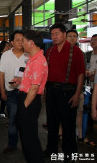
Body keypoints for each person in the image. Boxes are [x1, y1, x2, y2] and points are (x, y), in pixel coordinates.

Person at [44, 23, 85, 162]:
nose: (54, 37)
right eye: (52, 34)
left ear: (64, 34)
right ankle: (51, 149)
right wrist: (45, 91)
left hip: (68, 92)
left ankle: (70, 153)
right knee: (52, 122)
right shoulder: (49, 51)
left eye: (57, 34)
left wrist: (77, 94)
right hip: (51, 91)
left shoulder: (75, 51)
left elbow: (80, 74)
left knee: (68, 124)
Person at [13, 30, 47, 163]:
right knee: (27, 138)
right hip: (27, 98)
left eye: (23, 41)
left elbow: (34, 88)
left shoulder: (38, 61)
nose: (22, 43)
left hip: (29, 101)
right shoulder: (33, 59)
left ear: (31, 43)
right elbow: (32, 81)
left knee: (30, 139)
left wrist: (24, 107)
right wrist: (20, 81)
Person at [0, 31, 28, 154]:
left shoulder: (29, 55)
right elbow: (1, 74)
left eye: (22, 39)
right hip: (11, 92)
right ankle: (12, 144)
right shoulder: (5, 55)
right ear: (12, 42)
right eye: (17, 40)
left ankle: (27, 144)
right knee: (12, 119)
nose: (21, 42)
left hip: (26, 92)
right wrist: (2, 92)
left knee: (26, 120)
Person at [66, 29, 85, 142]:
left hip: (78, 89)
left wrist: (78, 92)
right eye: (70, 36)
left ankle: (79, 135)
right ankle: (61, 133)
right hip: (65, 89)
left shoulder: (80, 53)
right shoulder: (62, 52)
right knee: (63, 114)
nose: (72, 38)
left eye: (74, 36)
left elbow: (81, 74)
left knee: (79, 112)